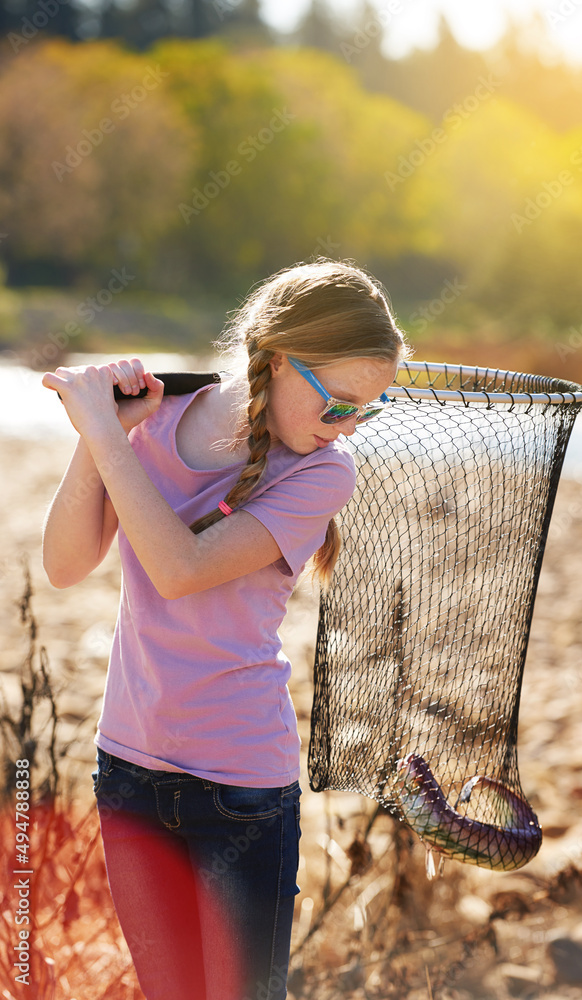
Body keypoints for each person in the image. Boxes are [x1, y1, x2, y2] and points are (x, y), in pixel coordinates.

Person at [41, 258, 410, 1000]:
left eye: (363, 411)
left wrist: (110, 441)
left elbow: (180, 568)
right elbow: (64, 564)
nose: (344, 427)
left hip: (240, 787)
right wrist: (100, 435)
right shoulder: (159, 420)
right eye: (336, 403)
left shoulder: (321, 474)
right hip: (127, 771)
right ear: (277, 359)